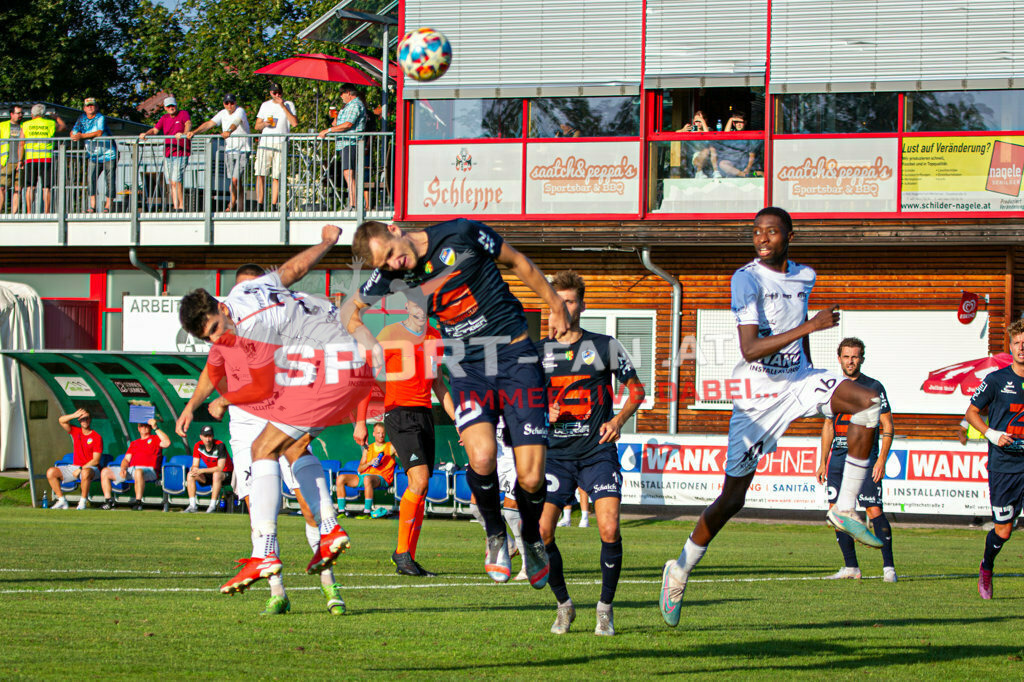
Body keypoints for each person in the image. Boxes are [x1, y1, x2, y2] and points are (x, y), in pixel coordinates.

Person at [658, 206, 884, 627]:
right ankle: (680, 569)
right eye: (757, 232)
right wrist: (811, 328)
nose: (762, 238)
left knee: (869, 402)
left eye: (771, 232)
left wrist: (819, 381)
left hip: (799, 380)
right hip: (756, 399)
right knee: (732, 499)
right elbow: (750, 349)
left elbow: (797, 331)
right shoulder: (746, 278)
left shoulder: (805, 275)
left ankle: (845, 507)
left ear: (790, 236)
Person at [346, 218, 570, 588]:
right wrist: (367, 341)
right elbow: (350, 313)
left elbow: (517, 261)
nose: (393, 266)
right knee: (481, 456)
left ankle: (530, 538)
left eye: (391, 256)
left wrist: (554, 304)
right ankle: (496, 534)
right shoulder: (387, 274)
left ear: (395, 230)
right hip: (468, 366)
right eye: (383, 266)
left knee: (530, 478)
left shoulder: (461, 233)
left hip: (515, 356)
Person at [178, 223, 376, 601]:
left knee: (263, 450)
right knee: (291, 447)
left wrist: (223, 400)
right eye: (208, 338)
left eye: (217, 329)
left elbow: (263, 387)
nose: (217, 340)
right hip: (343, 357)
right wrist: (326, 243)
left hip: (329, 365)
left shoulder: (254, 328)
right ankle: (328, 530)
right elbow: (291, 272)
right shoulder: (244, 291)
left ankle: (267, 552)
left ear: (222, 308)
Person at [538, 270, 645, 636]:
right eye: (558, 301)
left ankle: (605, 608)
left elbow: (637, 390)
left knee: (609, 527)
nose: (564, 307)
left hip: (597, 453)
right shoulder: (538, 353)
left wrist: (618, 421)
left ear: (582, 305)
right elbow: (520, 400)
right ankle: (564, 606)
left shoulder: (605, 345)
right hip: (556, 455)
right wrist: (542, 410)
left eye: (570, 301)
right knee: (542, 531)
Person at [370, 295, 456, 576]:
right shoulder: (390, 333)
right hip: (399, 414)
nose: (420, 308)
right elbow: (369, 373)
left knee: (422, 486)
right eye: (415, 303)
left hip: (424, 414)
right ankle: (401, 553)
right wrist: (362, 419)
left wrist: (458, 420)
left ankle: (408, 557)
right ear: (406, 306)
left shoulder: (435, 336)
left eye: (425, 303)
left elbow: (440, 384)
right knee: (418, 481)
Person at [816, 337, 897, 583]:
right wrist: (823, 462)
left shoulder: (873, 387)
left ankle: (889, 569)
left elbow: (887, 425)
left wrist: (881, 458)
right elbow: (828, 425)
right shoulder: (831, 386)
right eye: (847, 356)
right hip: (838, 460)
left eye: (855, 356)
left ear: (862, 358)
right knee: (837, 513)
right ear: (839, 358)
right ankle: (851, 567)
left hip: (864, 458)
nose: (851, 361)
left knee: (873, 510)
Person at [965, 317, 1024, 600]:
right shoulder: (996, 380)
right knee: (1004, 531)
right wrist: (992, 434)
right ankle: (987, 568)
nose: (1022, 348)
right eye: (1017, 343)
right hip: (1004, 465)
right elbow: (971, 413)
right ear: (1010, 347)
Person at [188, 93, 250, 212]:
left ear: (235, 103)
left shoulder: (240, 110)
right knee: (236, 179)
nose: (229, 105)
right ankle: (241, 205)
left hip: (243, 149)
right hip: (230, 150)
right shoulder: (222, 113)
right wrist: (194, 132)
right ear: (224, 104)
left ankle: (231, 204)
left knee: (235, 179)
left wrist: (228, 131)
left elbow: (236, 122)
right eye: (227, 103)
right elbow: (209, 124)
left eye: (232, 103)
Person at [100, 418, 171, 511]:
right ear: (138, 428)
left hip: (149, 471)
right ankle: (109, 501)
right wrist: (123, 469)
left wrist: (155, 427)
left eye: (146, 425)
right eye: (141, 426)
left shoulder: (155, 439)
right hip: (132, 469)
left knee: (138, 472)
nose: (144, 427)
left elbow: (167, 443)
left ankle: (138, 502)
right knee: (105, 471)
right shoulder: (134, 443)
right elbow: (126, 459)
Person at [138, 96, 191, 211]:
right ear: (165, 108)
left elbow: (188, 123)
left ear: (176, 106)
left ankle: (181, 206)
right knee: (171, 181)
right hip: (168, 153)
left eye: (173, 105)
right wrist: (146, 134)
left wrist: (184, 133)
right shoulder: (164, 118)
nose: (171, 108)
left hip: (180, 151)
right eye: (168, 106)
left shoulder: (183, 114)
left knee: (176, 179)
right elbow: (155, 130)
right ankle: (175, 206)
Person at [318, 84, 365, 210]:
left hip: (351, 142)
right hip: (344, 143)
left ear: (348, 93)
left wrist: (328, 130)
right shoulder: (347, 106)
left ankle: (353, 204)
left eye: (342, 93)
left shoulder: (355, 105)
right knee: (347, 173)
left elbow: (348, 124)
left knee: (349, 173)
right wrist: (335, 117)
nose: (340, 96)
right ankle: (352, 203)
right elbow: (338, 123)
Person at [45, 408, 103, 509]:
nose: (84, 421)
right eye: (82, 419)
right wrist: (74, 415)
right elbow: (61, 420)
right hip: (75, 467)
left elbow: (96, 460)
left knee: (85, 472)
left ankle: (82, 502)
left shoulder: (96, 437)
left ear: (90, 420)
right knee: (51, 472)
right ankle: (62, 500)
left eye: (86, 418)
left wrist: (80, 469)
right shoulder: (76, 431)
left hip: (92, 469)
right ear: (79, 420)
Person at [337, 422, 396, 519]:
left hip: (382, 478)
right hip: (365, 476)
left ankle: (367, 511)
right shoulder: (368, 448)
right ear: (373, 434)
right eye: (378, 433)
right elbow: (360, 469)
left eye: (383, 433)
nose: (381, 435)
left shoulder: (390, 447)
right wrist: (370, 463)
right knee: (340, 478)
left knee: (367, 479)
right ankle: (342, 511)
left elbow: (402, 456)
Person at [70, 97, 118, 212]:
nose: (90, 107)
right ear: (84, 108)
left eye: (92, 105)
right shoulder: (81, 118)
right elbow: (74, 130)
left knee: (109, 179)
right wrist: (73, 135)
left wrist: (81, 136)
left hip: (108, 153)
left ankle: (108, 205)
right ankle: (92, 206)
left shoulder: (100, 117)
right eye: (88, 106)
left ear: (96, 107)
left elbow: (99, 132)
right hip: (93, 155)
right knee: (91, 179)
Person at [254, 83, 297, 209]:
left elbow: (294, 123)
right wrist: (265, 124)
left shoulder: (289, 104)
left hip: (280, 142)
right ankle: (260, 204)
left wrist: (283, 106)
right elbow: (257, 126)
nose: (277, 95)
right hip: (265, 142)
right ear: (270, 93)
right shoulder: (265, 105)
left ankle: (274, 204)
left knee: (277, 175)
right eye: (274, 93)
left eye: (279, 92)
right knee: (260, 173)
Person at [22, 103, 67, 213]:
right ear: (43, 113)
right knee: (46, 187)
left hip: (30, 158)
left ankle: (28, 211)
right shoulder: (50, 123)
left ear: (32, 114)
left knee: (30, 186)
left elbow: (21, 143)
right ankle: (46, 211)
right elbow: (63, 127)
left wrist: (20, 159)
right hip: (46, 158)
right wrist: (56, 118)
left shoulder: (26, 124)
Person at [184, 424, 233, 513]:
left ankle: (212, 506)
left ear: (213, 436)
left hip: (227, 474)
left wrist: (201, 470)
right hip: (211, 474)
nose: (207, 439)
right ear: (201, 437)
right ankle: (192, 506)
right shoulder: (198, 446)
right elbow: (195, 464)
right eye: (205, 436)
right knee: (190, 475)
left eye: (209, 436)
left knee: (216, 475)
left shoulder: (220, 445)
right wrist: (194, 469)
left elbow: (220, 468)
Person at [1, 105, 25, 214]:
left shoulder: (24, 126)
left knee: (18, 188)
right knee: (2, 188)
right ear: (11, 114)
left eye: (21, 113)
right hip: (6, 161)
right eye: (18, 113)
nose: (20, 115)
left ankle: (14, 214)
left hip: (20, 162)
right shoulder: (2, 126)